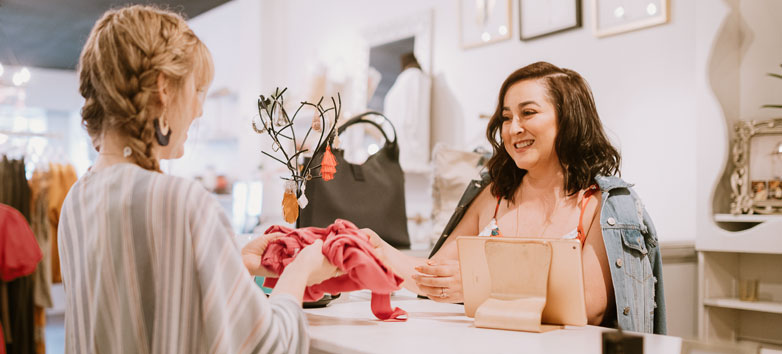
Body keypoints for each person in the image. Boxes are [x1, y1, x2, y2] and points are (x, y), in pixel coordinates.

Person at [58, 5, 338, 353]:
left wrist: (230, 263)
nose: (199, 109)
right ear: (163, 87)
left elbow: (137, 308)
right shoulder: (180, 201)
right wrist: (299, 271)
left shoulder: (77, 198)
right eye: (197, 90)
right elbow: (265, 346)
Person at [371, 61, 666, 334]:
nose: (514, 129)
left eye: (528, 113)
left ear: (568, 119)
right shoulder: (492, 195)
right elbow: (433, 278)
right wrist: (374, 247)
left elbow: (590, 306)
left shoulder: (603, 204)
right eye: (506, 117)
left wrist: (479, 286)